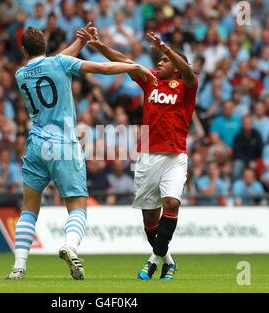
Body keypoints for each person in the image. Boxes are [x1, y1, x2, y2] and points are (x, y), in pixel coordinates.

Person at [6, 25, 156, 280]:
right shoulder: (60, 63)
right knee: (77, 205)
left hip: (36, 145)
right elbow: (104, 69)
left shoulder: (21, 74)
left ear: (23, 49)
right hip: (64, 144)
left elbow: (54, 62)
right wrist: (134, 66)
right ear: (45, 45)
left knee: (29, 209)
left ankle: (19, 267)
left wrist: (80, 41)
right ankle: (71, 246)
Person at [88, 29, 197, 280]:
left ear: (177, 68)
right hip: (147, 157)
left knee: (171, 203)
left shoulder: (186, 87)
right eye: (159, 59)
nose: (159, 62)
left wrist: (166, 48)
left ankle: (151, 262)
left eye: (165, 61)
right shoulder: (150, 80)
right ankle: (167, 261)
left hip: (175, 156)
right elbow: (124, 60)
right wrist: (100, 45)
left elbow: (190, 73)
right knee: (150, 218)